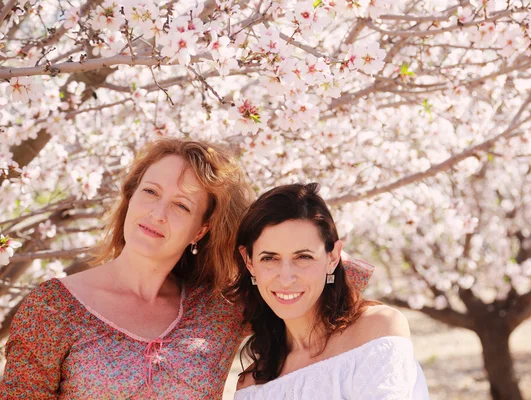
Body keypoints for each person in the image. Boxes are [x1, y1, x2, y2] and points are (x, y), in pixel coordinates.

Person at [0, 139, 373, 399]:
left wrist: (263, 236)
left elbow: (333, 278)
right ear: (129, 197)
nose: (157, 214)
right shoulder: (53, 307)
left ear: (202, 228)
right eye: (150, 192)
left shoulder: (217, 308)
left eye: (181, 206)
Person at [228, 183, 430, 399]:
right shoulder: (252, 385)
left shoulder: (376, 331)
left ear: (333, 257)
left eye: (303, 257)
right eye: (269, 258)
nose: (286, 279)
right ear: (249, 262)